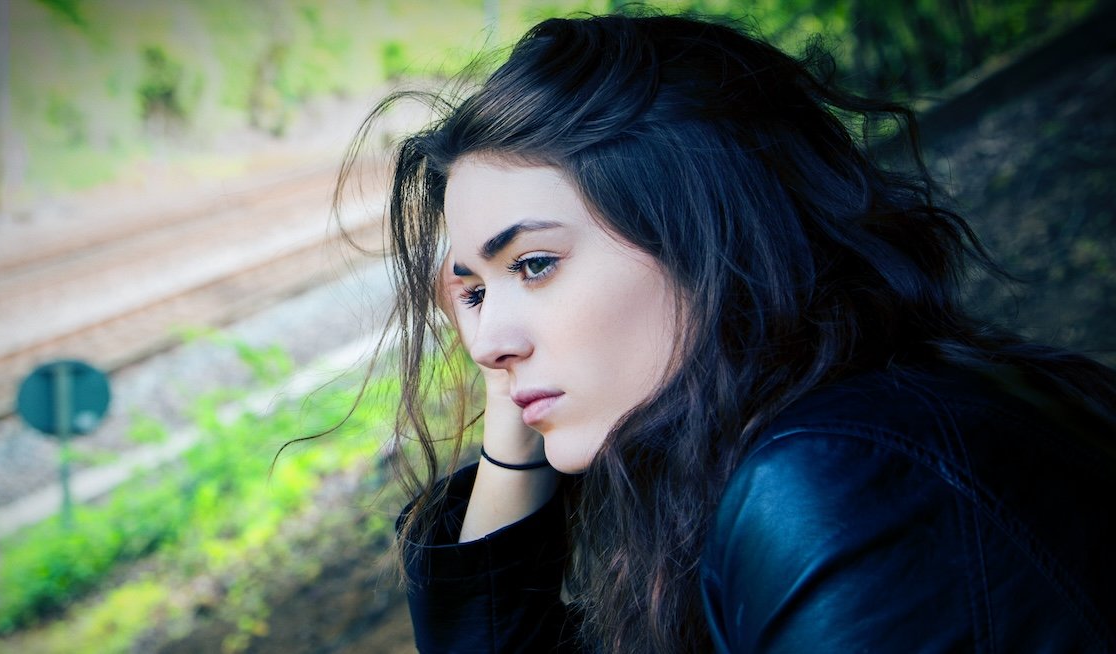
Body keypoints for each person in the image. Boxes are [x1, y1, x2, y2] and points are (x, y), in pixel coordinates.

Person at [339, 11, 1116, 653]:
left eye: (535, 264)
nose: (485, 343)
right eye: (474, 291)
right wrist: (513, 407)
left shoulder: (841, 483)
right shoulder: (791, 447)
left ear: (705, 237)